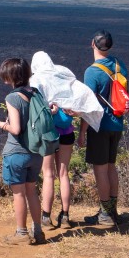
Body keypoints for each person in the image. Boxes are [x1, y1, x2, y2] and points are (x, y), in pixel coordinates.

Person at [79, 30, 128, 226]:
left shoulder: (92, 71)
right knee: (110, 167)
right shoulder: (119, 65)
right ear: (110, 46)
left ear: (92, 44)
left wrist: (82, 132)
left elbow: (87, 106)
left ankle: (106, 214)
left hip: (99, 125)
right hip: (117, 122)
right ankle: (112, 211)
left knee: (100, 170)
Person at [30, 51, 81, 229]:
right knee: (63, 173)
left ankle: (46, 217)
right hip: (66, 131)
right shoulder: (62, 76)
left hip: (48, 133)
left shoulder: (36, 82)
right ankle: (65, 216)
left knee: (48, 175)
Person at [0, 58, 46, 244]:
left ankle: (21, 233)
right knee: (32, 192)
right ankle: (38, 231)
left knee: (18, 194)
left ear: (11, 77)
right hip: (36, 153)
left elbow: (16, 129)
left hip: (17, 152)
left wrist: (4, 125)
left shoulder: (13, 97)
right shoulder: (36, 93)